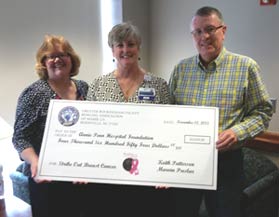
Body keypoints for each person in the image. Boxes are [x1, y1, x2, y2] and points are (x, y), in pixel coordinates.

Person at [168, 6, 273, 217]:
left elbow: (262, 112)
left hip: (226, 163)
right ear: (192, 35)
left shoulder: (246, 67)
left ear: (223, 31)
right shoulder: (181, 69)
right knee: (181, 211)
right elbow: (170, 112)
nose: (204, 36)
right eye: (197, 32)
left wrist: (237, 132)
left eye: (210, 29)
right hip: (186, 161)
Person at [87, 22, 171, 217]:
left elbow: (168, 130)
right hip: (107, 172)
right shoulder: (99, 85)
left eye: (131, 44)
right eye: (120, 45)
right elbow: (89, 128)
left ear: (139, 47)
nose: (126, 50)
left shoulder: (158, 84)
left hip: (147, 172)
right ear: (112, 50)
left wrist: (166, 170)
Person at [12, 35, 89, 217]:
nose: (56, 60)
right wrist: (35, 161)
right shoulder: (33, 94)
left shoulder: (84, 88)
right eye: (50, 56)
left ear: (71, 59)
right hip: (48, 178)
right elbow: (20, 137)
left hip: (82, 175)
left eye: (62, 54)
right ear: (43, 62)